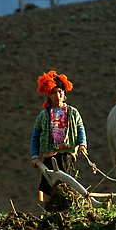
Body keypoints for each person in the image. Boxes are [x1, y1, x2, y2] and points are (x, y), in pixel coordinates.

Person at [30, 70, 87, 210]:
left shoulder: (73, 113)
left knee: (67, 188)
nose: (58, 95)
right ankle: (54, 211)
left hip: (67, 156)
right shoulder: (43, 116)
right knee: (52, 188)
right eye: (54, 92)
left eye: (60, 91)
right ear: (49, 95)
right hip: (50, 157)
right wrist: (35, 156)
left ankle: (67, 210)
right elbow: (35, 136)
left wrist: (82, 145)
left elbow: (80, 130)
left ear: (64, 93)